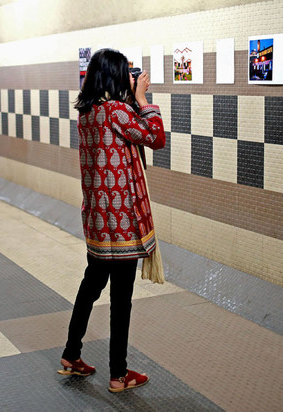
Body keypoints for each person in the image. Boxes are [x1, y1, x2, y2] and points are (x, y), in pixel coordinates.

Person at [58, 49, 166, 393]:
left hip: (97, 221)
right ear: (116, 76)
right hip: (122, 224)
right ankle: (119, 375)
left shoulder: (88, 113)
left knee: (90, 287)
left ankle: (71, 355)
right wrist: (143, 98)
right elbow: (155, 138)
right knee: (122, 299)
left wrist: (131, 99)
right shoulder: (117, 111)